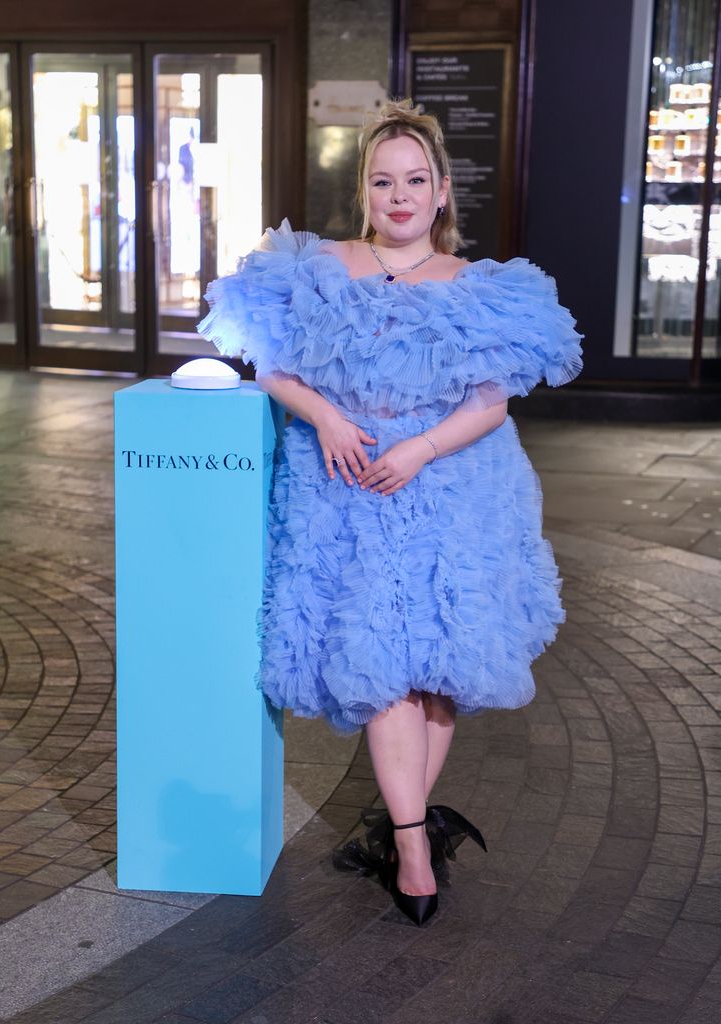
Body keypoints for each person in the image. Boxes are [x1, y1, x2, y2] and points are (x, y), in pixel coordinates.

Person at [197, 99, 583, 925]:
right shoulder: (321, 266)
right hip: (349, 483)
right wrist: (327, 416)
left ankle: (404, 826)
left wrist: (421, 450)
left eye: (415, 180)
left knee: (440, 674)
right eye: (383, 181)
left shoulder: (482, 288)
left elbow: (491, 404)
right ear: (364, 191)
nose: (400, 196)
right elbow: (266, 363)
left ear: (442, 191)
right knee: (382, 665)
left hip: (453, 485)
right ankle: (412, 846)